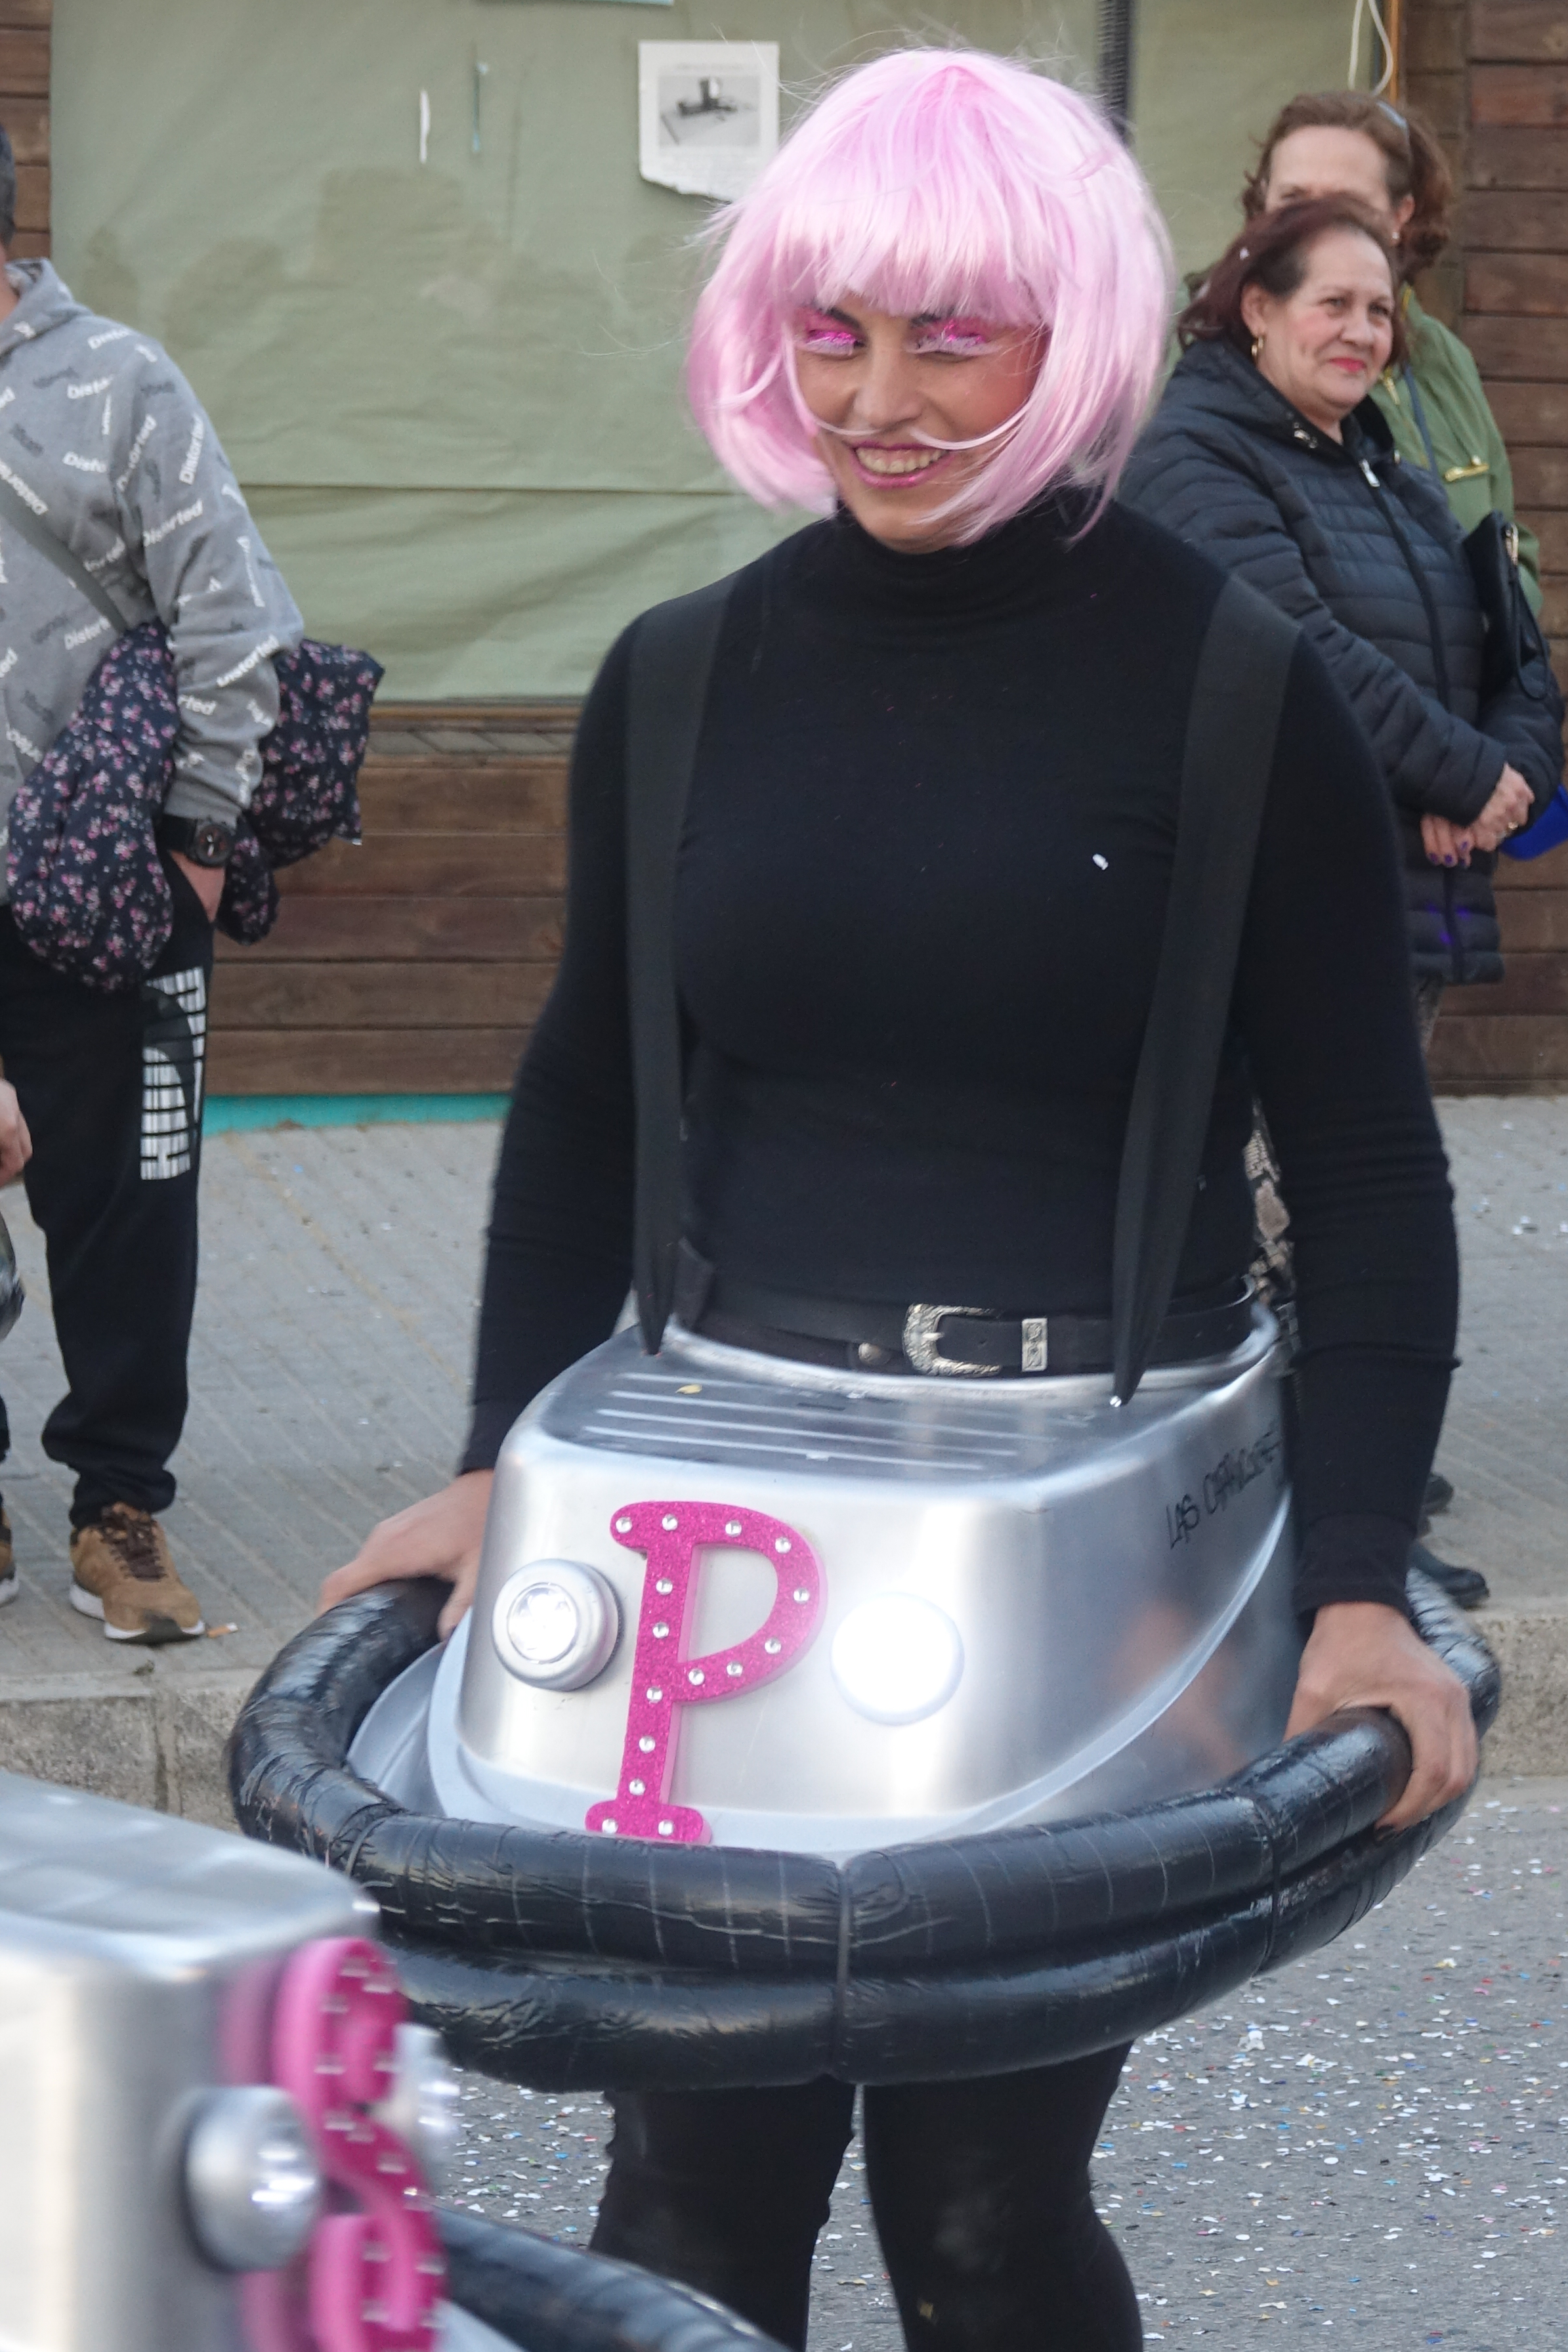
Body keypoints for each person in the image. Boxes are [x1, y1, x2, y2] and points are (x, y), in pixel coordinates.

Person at [323, 53, 1477, 2352]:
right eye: (829, 331)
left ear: (1073, 327)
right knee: (683, 2180)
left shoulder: (1239, 696)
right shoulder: (682, 677)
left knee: (976, 2203)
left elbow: (1364, 1159)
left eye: (952, 338)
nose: (874, 400)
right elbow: (584, 1101)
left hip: (1085, 1501)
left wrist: (1355, 1586)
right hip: (708, 1501)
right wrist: (487, 1465)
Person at [1120, 202, 1560, 1612]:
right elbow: (1291, 650)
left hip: (1400, 892)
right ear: (1255, 307)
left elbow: (1503, 647)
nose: (1365, 332)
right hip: (1272, 897)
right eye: (1335, 304)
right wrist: (1452, 770)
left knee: (1343, 1220)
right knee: (1272, 1222)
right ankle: (1268, 1539)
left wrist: (1496, 777)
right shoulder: (1194, 455)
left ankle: (1349, 1527)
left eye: (1382, 311)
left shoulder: (1382, 466)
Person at [0, 122, 304, 1641]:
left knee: (128, 1200)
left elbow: (234, 622)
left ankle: (118, 1499)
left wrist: (194, 845)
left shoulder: (122, 382)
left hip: (109, 881)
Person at [1242, 88, 1542, 606]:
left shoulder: (1443, 356)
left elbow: (1514, 550)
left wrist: (1497, 629)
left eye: (1346, 206)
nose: (1314, 224)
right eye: (1293, 201)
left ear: (1401, 217)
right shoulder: (1213, 336)